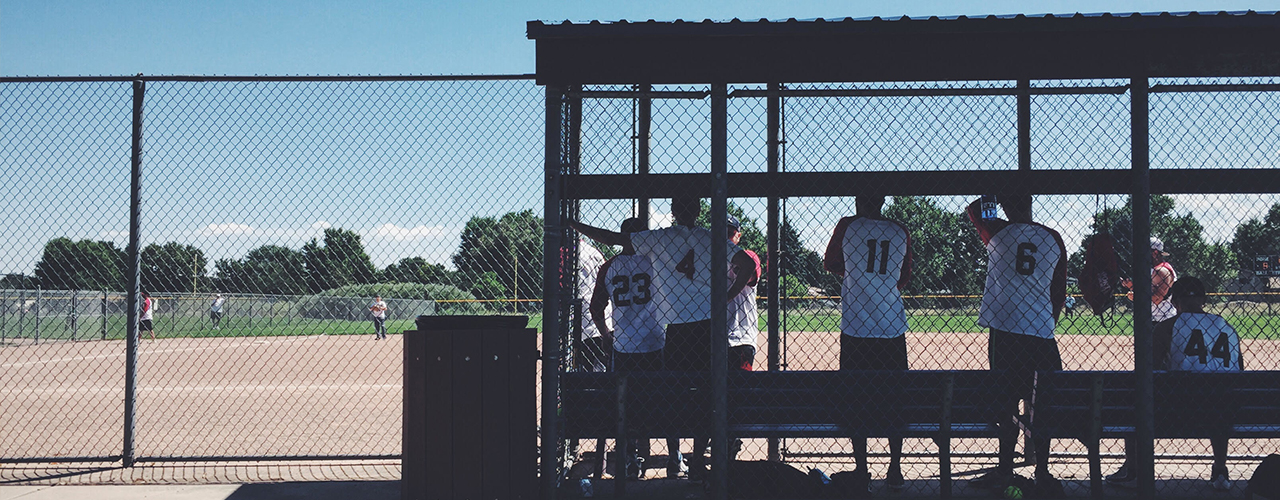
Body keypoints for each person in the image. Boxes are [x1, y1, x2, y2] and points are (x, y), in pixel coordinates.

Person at [569, 197, 754, 480]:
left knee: (658, 398)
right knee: (702, 393)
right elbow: (746, 263)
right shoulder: (691, 245)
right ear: (699, 210)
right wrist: (724, 296)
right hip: (684, 333)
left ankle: (634, 456)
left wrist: (573, 224)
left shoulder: (652, 246)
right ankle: (685, 458)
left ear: (674, 212)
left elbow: (611, 245)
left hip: (651, 337)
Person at [965, 194, 1068, 495]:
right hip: (1040, 332)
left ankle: (1006, 469)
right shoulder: (1052, 237)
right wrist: (1049, 320)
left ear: (1008, 207)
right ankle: (1043, 470)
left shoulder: (998, 232)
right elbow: (1058, 290)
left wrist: (996, 193)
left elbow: (974, 211)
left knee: (1006, 402)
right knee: (1041, 404)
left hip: (1006, 330)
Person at [1107, 276, 1243, 491]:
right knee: (1220, 394)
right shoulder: (1228, 328)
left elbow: (1148, 371)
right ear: (1204, 300)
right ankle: (1220, 468)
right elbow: (1239, 374)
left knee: (1132, 395)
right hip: (1227, 413)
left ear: (1174, 302)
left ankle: (1133, 469)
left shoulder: (1167, 326)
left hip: (1180, 410)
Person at [823, 194, 913, 491]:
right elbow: (904, 276)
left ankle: (862, 469)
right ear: (883, 201)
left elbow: (830, 262)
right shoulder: (899, 230)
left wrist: (855, 274)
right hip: (891, 326)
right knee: (895, 399)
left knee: (856, 399)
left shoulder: (848, 226)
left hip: (856, 328)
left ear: (859, 201)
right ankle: (895, 468)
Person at [590, 217, 666, 479]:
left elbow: (595, 308)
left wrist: (605, 335)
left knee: (626, 404)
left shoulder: (610, 266)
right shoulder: (655, 262)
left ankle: (630, 456)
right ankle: (675, 458)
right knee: (661, 402)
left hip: (623, 346)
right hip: (655, 342)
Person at [1121, 237, 1177, 326]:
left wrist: (1132, 287)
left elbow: (1156, 299)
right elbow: (1148, 295)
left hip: (1163, 320)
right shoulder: (1153, 270)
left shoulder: (1161, 270)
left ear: (1154, 253)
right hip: (1153, 318)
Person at [577, 236, 611, 373]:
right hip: (602, 315)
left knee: (584, 369)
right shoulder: (595, 252)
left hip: (581, 318)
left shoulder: (567, 252)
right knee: (601, 366)